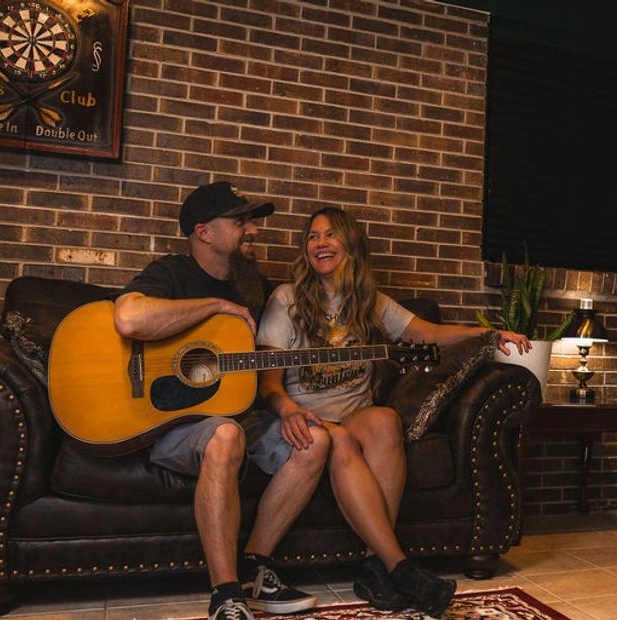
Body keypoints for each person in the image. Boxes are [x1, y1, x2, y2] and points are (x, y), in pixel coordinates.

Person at [256, 207, 529, 617]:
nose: (321, 243)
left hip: (355, 415)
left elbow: (430, 334)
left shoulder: (369, 301)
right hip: (311, 417)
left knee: (384, 420)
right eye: (313, 237)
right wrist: (289, 409)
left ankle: (373, 566)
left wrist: (489, 335)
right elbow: (268, 380)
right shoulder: (286, 298)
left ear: (350, 245)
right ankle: (396, 567)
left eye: (331, 235)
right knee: (341, 437)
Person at [113, 181, 320, 620]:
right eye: (241, 221)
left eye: (252, 221)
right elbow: (129, 317)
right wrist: (214, 307)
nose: (254, 231)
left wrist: (287, 404)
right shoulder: (171, 273)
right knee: (224, 436)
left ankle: (256, 568)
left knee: (316, 441)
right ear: (204, 232)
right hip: (171, 422)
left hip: (238, 416)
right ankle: (225, 594)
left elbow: (269, 365)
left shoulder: (257, 288)